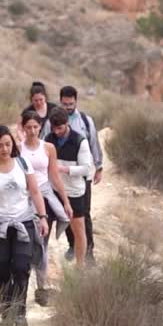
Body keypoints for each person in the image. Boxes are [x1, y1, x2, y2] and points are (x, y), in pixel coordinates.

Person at [0, 125, 50, 326]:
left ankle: (20, 314)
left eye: (8, 144)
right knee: (2, 269)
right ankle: (6, 312)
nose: (4, 149)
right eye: (0, 145)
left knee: (21, 268)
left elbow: (35, 192)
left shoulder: (23, 164)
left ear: (13, 145)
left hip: (23, 223)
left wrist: (42, 217)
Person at [19, 108, 72, 304]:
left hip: (45, 199)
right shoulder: (18, 149)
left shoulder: (48, 148)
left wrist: (65, 201)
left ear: (41, 127)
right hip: (24, 200)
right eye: (28, 127)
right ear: (23, 128)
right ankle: (21, 288)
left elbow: (55, 176)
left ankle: (41, 289)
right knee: (24, 244)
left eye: (35, 126)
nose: (32, 131)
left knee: (42, 244)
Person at [58, 85, 103, 260]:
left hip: (83, 176)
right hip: (62, 176)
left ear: (76, 101)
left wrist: (98, 167)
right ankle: (72, 245)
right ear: (60, 101)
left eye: (70, 103)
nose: (67, 107)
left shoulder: (86, 121)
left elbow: (94, 144)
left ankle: (89, 251)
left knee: (84, 213)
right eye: (64, 104)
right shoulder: (53, 121)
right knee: (66, 212)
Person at [48, 108, 94, 264]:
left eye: (59, 128)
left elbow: (87, 168)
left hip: (74, 192)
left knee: (79, 231)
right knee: (44, 228)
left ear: (67, 123)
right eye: (53, 128)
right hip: (53, 191)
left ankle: (80, 267)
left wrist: (65, 169)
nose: (56, 131)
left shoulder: (80, 141)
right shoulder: (49, 138)